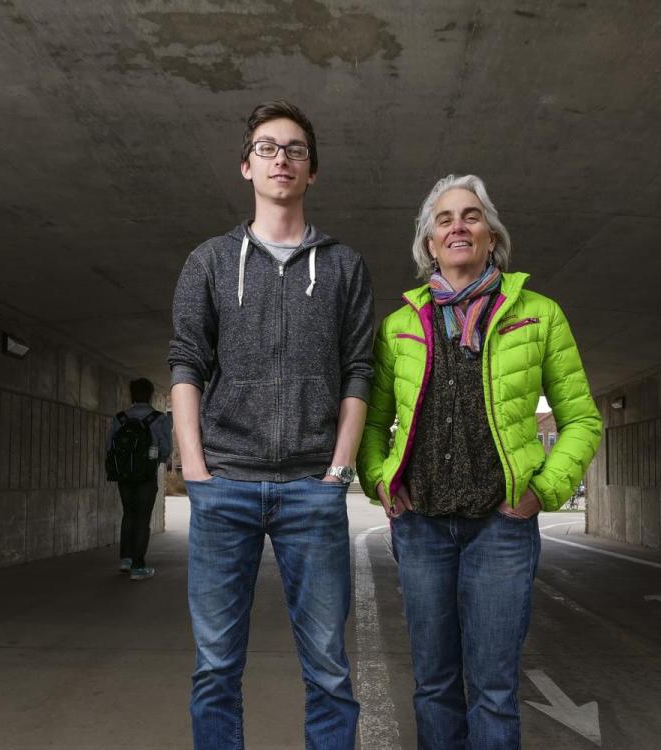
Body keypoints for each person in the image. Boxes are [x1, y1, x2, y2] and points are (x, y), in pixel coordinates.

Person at [359, 175, 602, 748]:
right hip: (421, 530)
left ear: (491, 237)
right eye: (444, 220)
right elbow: (371, 423)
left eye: (471, 216)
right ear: (429, 246)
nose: (458, 226)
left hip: (502, 528)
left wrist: (543, 491)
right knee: (434, 683)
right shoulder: (397, 328)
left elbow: (583, 420)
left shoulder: (538, 314)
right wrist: (378, 481)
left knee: (493, 689)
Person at [168, 99, 375, 749]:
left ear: (312, 172)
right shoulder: (208, 261)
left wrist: (337, 470)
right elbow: (186, 365)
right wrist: (196, 470)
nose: (280, 158)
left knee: (330, 672)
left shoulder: (343, 267)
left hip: (310, 490)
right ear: (245, 167)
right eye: (267, 148)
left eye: (294, 150)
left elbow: (359, 372)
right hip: (224, 486)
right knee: (215, 671)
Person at [106, 377, 172, 581]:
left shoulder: (119, 418)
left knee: (129, 514)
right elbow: (166, 449)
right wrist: (155, 460)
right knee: (143, 518)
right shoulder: (159, 419)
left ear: (131, 394)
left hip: (124, 475)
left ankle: (125, 559)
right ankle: (138, 565)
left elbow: (110, 447)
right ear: (151, 394)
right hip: (146, 475)